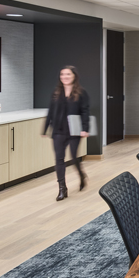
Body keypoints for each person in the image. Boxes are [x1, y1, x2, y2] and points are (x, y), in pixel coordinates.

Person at [42, 65, 90, 201]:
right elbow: (50, 111)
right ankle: (62, 188)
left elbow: (85, 111)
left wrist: (85, 128)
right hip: (58, 130)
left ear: (74, 76)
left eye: (68, 74)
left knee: (74, 158)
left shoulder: (81, 92)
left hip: (74, 131)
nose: (65, 77)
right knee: (59, 159)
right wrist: (45, 128)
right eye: (62, 74)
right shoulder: (56, 93)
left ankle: (81, 175)